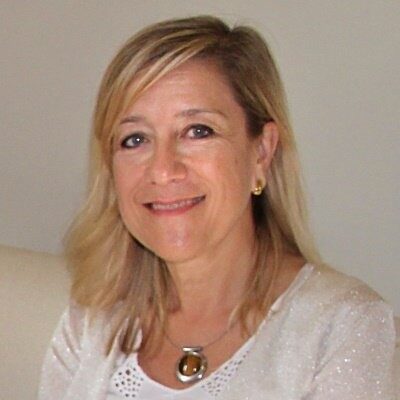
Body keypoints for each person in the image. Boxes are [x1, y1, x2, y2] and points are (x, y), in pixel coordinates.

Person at [38, 15, 396, 399]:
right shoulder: (91, 321)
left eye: (198, 131)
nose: (163, 170)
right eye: (135, 139)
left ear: (261, 151)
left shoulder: (344, 329)